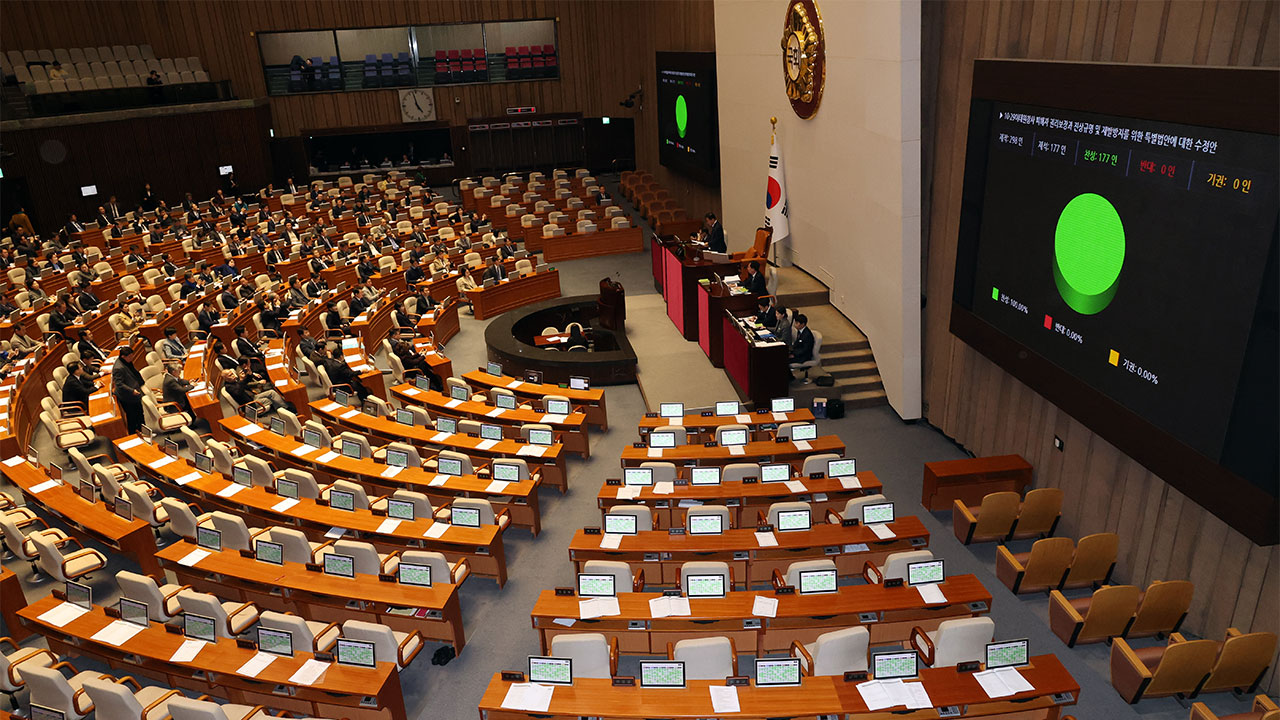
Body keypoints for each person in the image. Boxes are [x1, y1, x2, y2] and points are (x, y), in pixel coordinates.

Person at [113, 346, 146, 433]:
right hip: (127, 396)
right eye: (130, 356)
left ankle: (143, 431)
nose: (132, 358)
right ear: (123, 356)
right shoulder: (118, 368)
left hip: (134, 392)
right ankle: (134, 434)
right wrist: (132, 390)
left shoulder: (126, 362)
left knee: (139, 414)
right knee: (132, 417)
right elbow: (119, 384)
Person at [789, 313, 815, 382]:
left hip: (804, 356)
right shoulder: (800, 331)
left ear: (802, 324)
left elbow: (805, 350)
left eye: (797, 323)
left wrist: (794, 354)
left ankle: (789, 378)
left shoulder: (807, 335)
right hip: (798, 353)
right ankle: (790, 377)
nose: (795, 324)